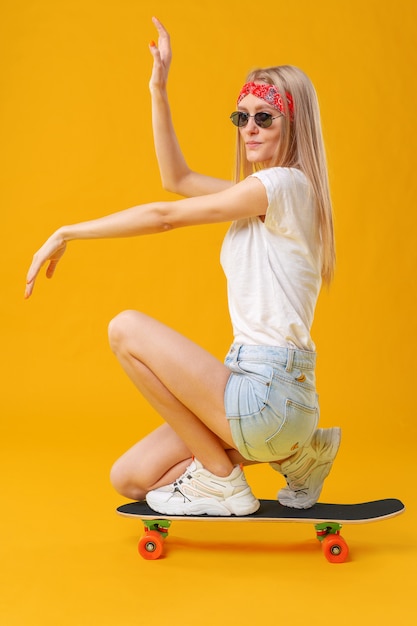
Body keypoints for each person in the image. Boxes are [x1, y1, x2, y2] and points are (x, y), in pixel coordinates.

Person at [25, 18, 341, 516]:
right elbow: (177, 179)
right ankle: (298, 454)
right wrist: (158, 89)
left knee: (125, 328)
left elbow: (166, 216)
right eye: (242, 118)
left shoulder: (280, 187)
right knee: (131, 477)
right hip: (263, 401)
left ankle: (221, 478)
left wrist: (68, 231)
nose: (250, 129)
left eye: (265, 117)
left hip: (267, 394)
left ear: (293, 124)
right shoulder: (258, 196)